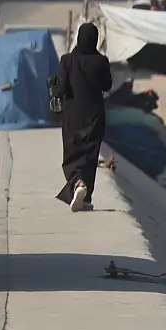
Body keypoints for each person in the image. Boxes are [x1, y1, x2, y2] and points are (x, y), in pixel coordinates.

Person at [54, 22, 113, 212]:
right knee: (90, 156)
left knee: (72, 153)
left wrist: (52, 85)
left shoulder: (67, 61)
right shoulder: (101, 61)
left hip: (72, 116)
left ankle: (78, 183)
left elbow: (59, 89)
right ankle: (85, 197)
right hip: (94, 116)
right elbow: (107, 85)